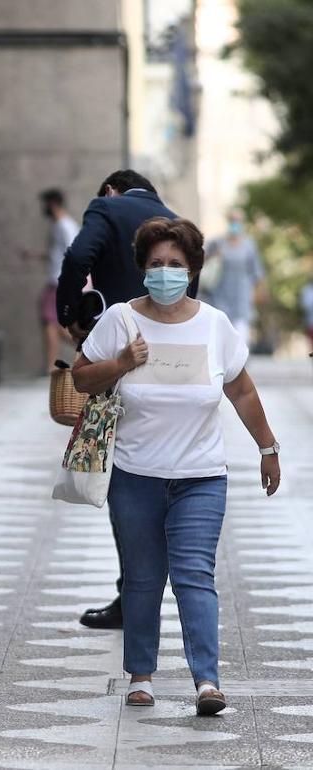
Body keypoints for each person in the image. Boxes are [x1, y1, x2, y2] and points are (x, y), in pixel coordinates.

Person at [72, 217, 280, 715]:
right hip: (134, 475)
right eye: (156, 264)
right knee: (142, 577)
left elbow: (241, 388)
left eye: (176, 265)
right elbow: (80, 379)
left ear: (192, 271)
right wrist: (121, 362)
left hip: (201, 477)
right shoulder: (120, 319)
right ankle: (140, 676)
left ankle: (207, 681)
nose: (165, 273)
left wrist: (267, 448)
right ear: (144, 268)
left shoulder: (215, 325)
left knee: (194, 576)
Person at [56, 169, 198, 631]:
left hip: (118, 358)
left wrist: (73, 318)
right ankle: (160, 589)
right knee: (160, 471)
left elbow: (78, 255)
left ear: (111, 190)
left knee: (125, 473)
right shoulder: (176, 222)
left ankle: (131, 594)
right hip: (169, 366)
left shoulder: (107, 207)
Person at [25, 188, 80, 372]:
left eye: (45, 204)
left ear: (53, 203)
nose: (43, 208)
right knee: (53, 324)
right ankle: (87, 348)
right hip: (56, 281)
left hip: (59, 282)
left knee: (50, 323)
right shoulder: (58, 225)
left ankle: (51, 365)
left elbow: (75, 252)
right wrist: (36, 256)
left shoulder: (65, 225)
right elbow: (57, 254)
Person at [203, 209, 266, 342]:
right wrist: (215, 256)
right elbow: (202, 261)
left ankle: (241, 362)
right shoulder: (217, 242)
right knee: (222, 333)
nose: (235, 223)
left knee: (241, 333)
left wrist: (259, 291)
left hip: (242, 295)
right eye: (232, 220)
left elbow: (257, 271)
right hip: (220, 294)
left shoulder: (249, 245)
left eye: (238, 220)